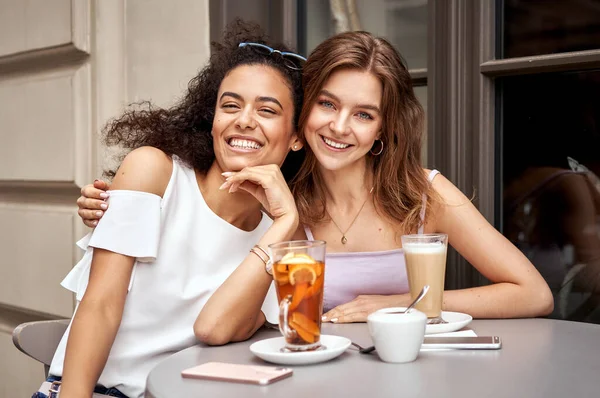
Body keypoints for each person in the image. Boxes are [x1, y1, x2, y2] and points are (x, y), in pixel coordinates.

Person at [77, 30, 554, 326]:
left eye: (364, 114)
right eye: (327, 104)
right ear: (301, 115)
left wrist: (402, 302)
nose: (340, 127)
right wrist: (113, 203)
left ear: (384, 128)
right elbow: (192, 218)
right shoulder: (273, 199)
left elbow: (532, 294)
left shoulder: (421, 192)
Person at [33, 19, 305, 398]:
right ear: (212, 118)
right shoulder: (155, 174)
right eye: (230, 105)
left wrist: (286, 223)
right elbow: (100, 306)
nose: (244, 121)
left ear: (295, 137)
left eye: (267, 111)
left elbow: (217, 329)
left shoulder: (279, 233)